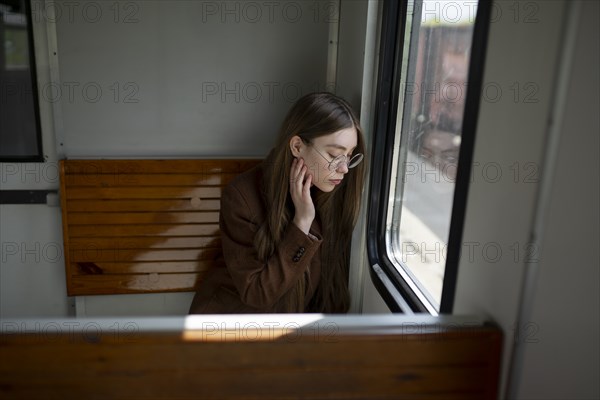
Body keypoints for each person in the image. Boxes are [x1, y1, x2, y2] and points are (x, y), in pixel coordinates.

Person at [189, 92, 366, 314]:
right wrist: (302, 223)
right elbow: (257, 293)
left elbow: (329, 285)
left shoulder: (332, 191)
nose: (344, 169)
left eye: (350, 155)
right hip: (231, 327)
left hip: (287, 333)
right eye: (333, 155)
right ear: (297, 146)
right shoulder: (241, 197)